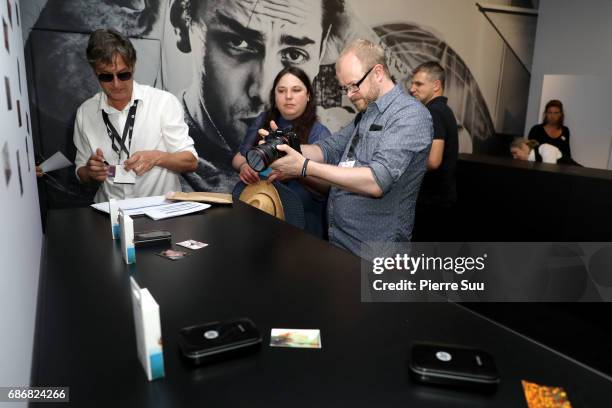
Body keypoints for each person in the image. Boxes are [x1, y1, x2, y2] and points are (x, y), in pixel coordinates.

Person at [261, 39, 432, 257]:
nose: (349, 95)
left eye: (353, 85)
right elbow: (327, 149)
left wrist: (304, 167)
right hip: (340, 242)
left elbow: (377, 180)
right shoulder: (367, 114)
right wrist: (285, 146)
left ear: (378, 73)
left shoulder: (410, 115)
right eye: (345, 88)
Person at [169, 0, 345, 192]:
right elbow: (240, 157)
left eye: (295, 55)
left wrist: (299, 169)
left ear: (320, 52)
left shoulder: (325, 134)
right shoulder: (162, 140)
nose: (263, 94)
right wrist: (245, 165)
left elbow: (333, 189)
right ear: (182, 24)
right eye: (238, 43)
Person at [73, 29, 198, 203]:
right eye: (107, 77)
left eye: (123, 75)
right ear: (95, 73)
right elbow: (81, 171)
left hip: (161, 212)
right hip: (110, 213)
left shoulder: (163, 102)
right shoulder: (85, 112)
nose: (116, 84)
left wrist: (157, 157)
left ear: (133, 67)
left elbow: (190, 162)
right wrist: (90, 171)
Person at [233, 66, 332, 238]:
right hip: (260, 216)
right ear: (274, 95)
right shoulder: (263, 121)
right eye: (281, 90)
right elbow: (238, 158)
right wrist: (244, 166)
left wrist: (296, 171)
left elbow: (328, 187)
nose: (288, 97)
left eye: (296, 90)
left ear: (308, 95)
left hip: (302, 226)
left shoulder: (319, 133)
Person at [409, 61, 458, 241]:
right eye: (412, 83)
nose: (412, 89)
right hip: (439, 200)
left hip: (432, 202)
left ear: (436, 85)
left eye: (419, 84)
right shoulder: (444, 110)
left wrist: (403, 167)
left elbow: (433, 161)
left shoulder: (433, 112)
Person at [527, 100, 574, 164]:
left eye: (556, 113)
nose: (552, 116)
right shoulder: (536, 129)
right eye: (549, 112)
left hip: (560, 168)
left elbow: (567, 154)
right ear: (545, 114)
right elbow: (529, 151)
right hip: (537, 167)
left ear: (561, 114)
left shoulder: (565, 130)